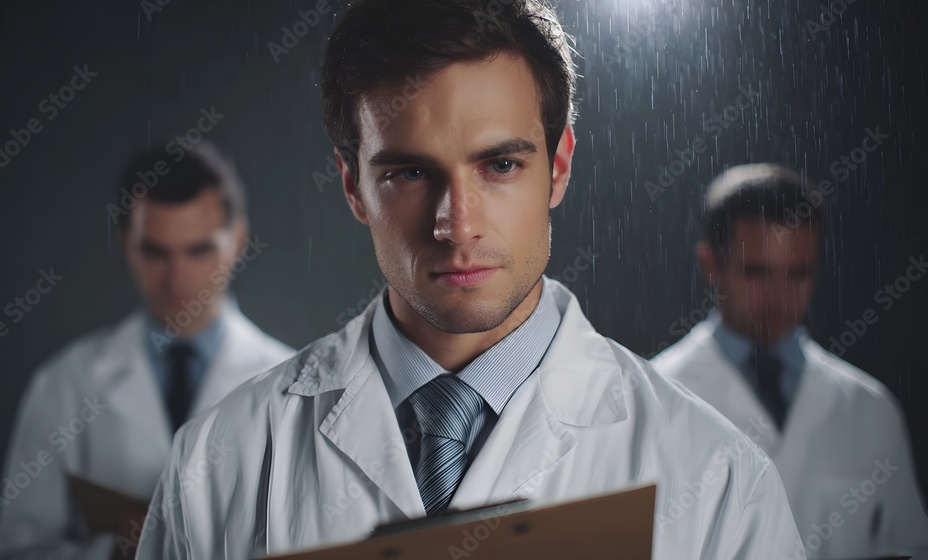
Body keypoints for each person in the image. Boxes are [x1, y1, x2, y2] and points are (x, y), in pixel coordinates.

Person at [135, 2, 805, 558]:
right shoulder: (218, 466)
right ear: (352, 186)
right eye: (410, 174)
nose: (457, 225)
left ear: (559, 166)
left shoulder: (718, 480)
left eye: (500, 166)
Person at [0, 142, 295, 560]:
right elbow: (15, 552)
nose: (178, 279)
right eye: (155, 252)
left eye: (199, 250)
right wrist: (113, 551)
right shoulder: (64, 383)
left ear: (239, 240)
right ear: (125, 242)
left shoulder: (292, 385)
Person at [652, 163, 928, 558]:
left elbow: (908, 546)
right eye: (758, 274)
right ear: (711, 265)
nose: (780, 298)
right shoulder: (656, 401)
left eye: (798, 274)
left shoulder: (869, 409)